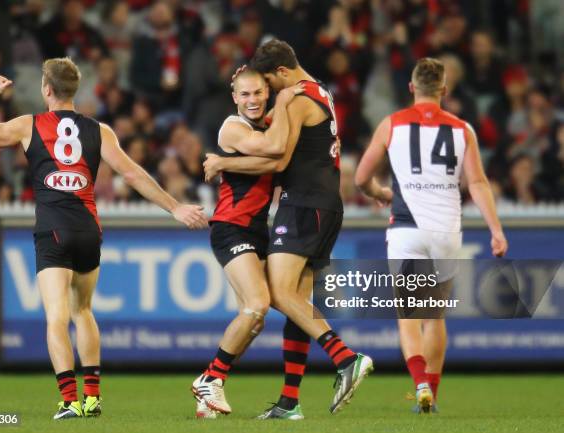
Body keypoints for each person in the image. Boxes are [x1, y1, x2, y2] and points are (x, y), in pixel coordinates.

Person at [0, 57, 208, 420]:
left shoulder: (29, 125)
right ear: (74, 90)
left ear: (46, 90)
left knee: (56, 317)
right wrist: (174, 207)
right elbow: (133, 174)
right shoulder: (100, 130)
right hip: (88, 230)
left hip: (53, 228)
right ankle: (92, 396)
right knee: (84, 310)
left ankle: (69, 400)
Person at [203, 39, 373, 417]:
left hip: (304, 204)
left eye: (267, 84)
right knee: (299, 303)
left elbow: (277, 155)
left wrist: (221, 163)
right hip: (326, 204)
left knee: (278, 294)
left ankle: (345, 358)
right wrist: (249, 88)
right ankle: (289, 401)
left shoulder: (293, 99)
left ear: (281, 73)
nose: (267, 93)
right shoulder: (320, 91)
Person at [354, 57, 508, 413]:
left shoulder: (391, 124)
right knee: (434, 317)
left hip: (406, 228)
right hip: (446, 232)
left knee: (407, 317)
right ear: (444, 90)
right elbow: (478, 183)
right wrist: (496, 231)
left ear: (411, 88)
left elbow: (361, 178)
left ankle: (420, 381)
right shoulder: (462, 129)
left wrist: (379, 194)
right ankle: (432, 395)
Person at [192, 67, 302, 418]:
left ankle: (207, 392)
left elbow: (280, 156)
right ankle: (211, 378)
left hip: (257, 230)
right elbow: (273, 149)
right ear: (234, 97)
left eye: (258, 93)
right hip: (230, 227)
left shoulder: (269, 123)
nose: (252, 100)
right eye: (245, 94)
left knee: (254, 320)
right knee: (257, 303)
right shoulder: (233, 127)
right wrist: (286, 101)